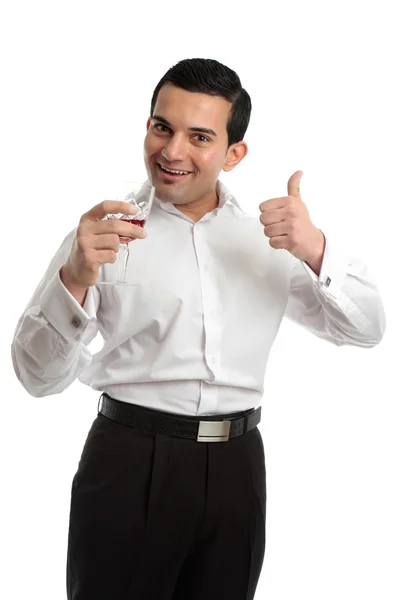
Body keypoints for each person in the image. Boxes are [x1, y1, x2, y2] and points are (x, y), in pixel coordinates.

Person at [12, 58, 386, 600]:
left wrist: (316, 249)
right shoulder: (103, 232)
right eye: (162, 127)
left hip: (239, 467)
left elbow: (366, 329)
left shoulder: (268, 237)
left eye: (199, 136)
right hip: (129, 461)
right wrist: (73, 278)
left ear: (234, 154)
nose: (172, 151)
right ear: (147, 126)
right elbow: (36, 378)